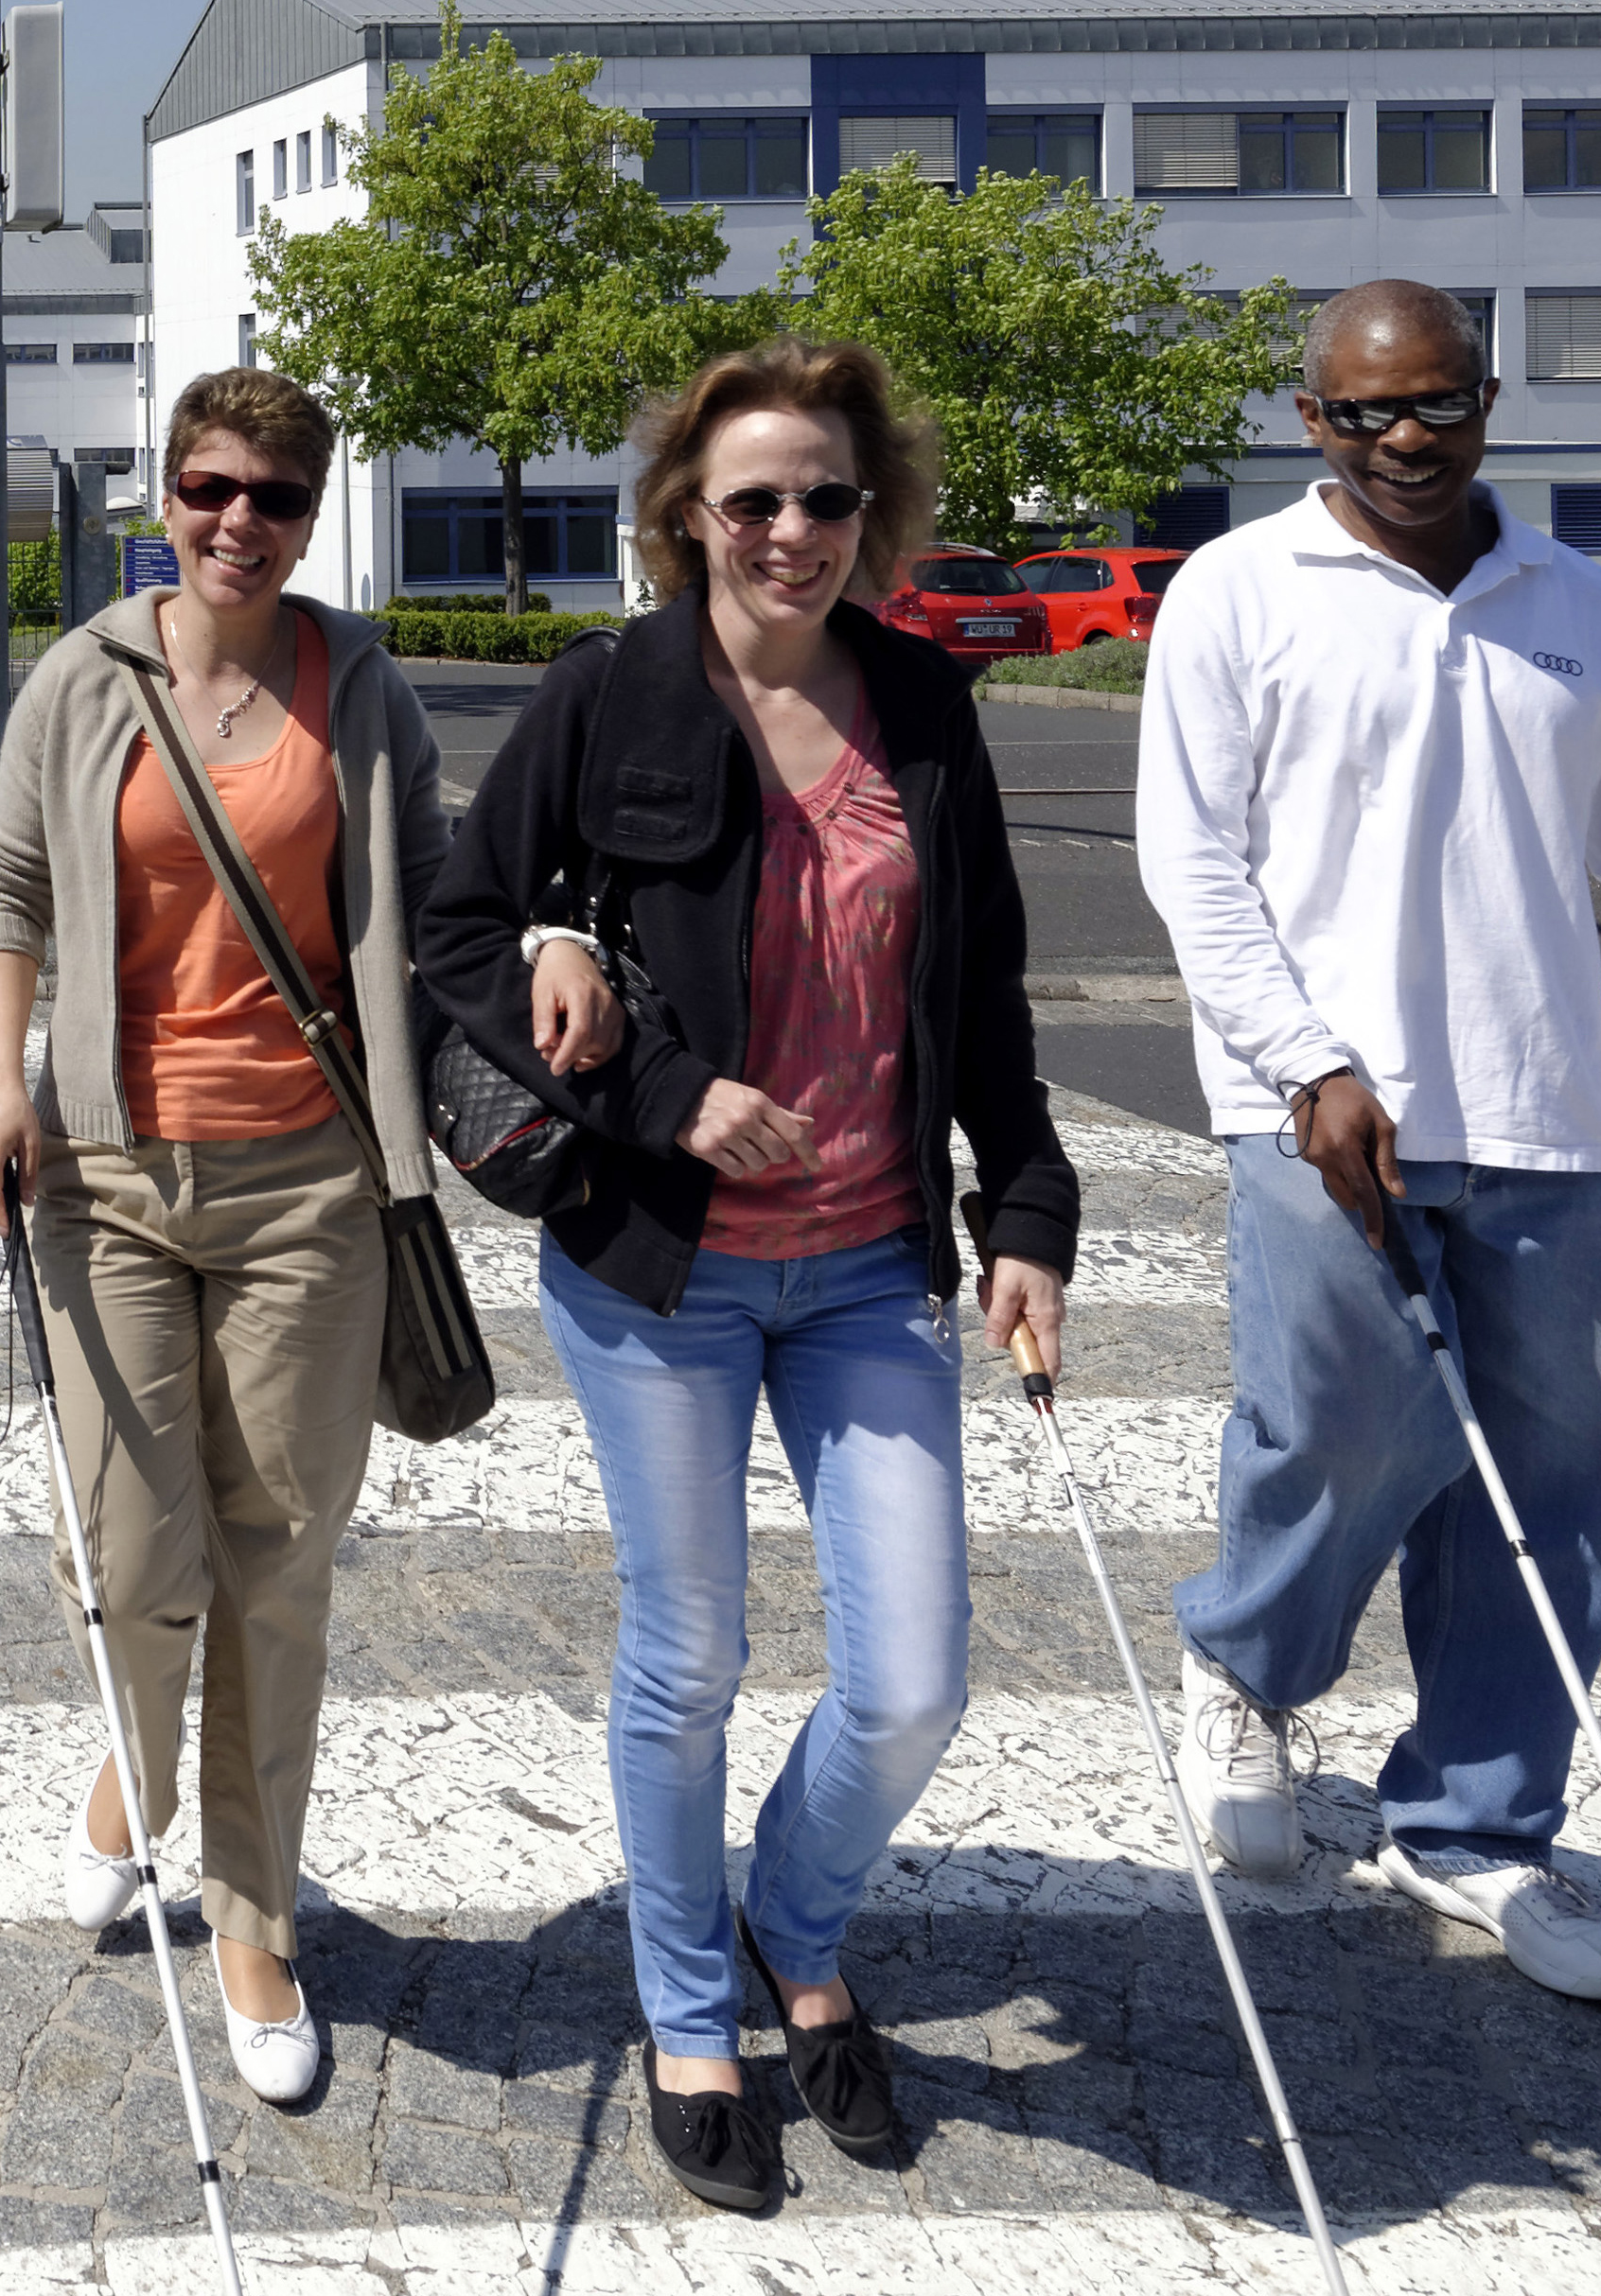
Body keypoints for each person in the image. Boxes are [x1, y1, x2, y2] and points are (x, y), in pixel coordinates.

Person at [413, 337, 1078, 2217]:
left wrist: (1021, 1214)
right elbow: (466, 929)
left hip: (873, 1263)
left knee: (911, 1677)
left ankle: (797, 1914)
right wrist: (654, 1075)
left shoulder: (927, 708)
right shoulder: (607, 690)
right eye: (752, 499)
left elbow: (989, 999)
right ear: (684, 518)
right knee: (688, 1650)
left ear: (876, 514)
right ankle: (693, 2004)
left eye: (827, 497)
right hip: (662, 1266)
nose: (791, 528)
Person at [1137, 277, 1601, 2003]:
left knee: (1567, 1480)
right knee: (1341, 1426)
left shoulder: (1585, 612)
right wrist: (1305, 1064)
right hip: (1315, 1114)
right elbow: (1193, 864)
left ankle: (1474, 1828)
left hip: (1541, 1112)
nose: (1404, 439)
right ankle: (1246, 1666)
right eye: (1365, 412)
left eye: (1436, 404)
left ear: (1488, 401)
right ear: (1312, 420)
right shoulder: (1239, 594)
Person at [0, 365, 457, 2114]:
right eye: (208, 487)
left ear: (315, 515)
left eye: (275, 496)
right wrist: (2, 1083)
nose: (237, 521)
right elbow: (4, 883)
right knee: (137, 1551)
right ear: (161, 495)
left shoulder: (359, 685)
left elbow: (435, 905)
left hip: (312, 1185)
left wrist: (546, 954)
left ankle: (253, 1918)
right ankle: (131, 1777)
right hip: (104, 1172)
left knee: (280, 1559)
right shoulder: (82, 679)